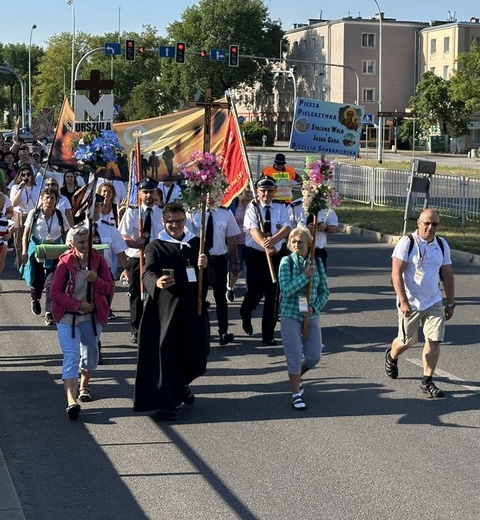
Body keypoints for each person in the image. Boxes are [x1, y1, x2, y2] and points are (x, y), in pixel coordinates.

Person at [133, 201, 210, 419]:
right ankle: (170, 402)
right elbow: (147, 273)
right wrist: (156, 283)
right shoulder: (155, 246)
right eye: (170, 222)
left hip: (194, 310)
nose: (175, 225)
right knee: (170, 357)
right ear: (163, 221)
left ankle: (182, 384)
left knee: (199, 355)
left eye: (179, 221)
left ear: (185, 220)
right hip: (167, 311)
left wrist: (205, 265)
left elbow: (208, 279)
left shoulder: (196, 243)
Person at [386, 209, 455, 398]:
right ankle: (392, 356)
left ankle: (427, 380)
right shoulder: (406, 243)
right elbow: (396, 273)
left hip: (433, 300)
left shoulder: (441, 245)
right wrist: (403, 300)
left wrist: (450, 302)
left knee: (434, 340)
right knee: (407, 341)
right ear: (418, 223)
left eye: (434, 224)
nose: (430, 227)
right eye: (427, 223)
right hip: (410, 302)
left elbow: (447, 275)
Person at [50, 225, 114, 420]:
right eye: (81, 242)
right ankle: (71, 401)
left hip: (91, 318)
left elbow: (110, 288)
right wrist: (77, 304)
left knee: (90, 354)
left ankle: (84, 386)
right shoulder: (64, 263)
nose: (86, 245)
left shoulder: (99, 262)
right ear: (72, 244)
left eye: (88, 241)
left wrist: (96, 280)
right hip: (68, 317)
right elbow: (54, 293)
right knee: (71, 356)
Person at [278, 226, 329, 410]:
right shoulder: (286, 262)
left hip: (311, 314)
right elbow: (286, 290)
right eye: (293, 241)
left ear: (309, 243)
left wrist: (314, 307)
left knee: (314, 357)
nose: (296, 244)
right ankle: (295, 394)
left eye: (300, 241)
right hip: (290, 314)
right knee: (293, 356)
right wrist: (304, 276)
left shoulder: (317, 263)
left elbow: (325, 291)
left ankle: (298, 375)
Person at [240, 176, 291, 345]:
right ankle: (245, 313)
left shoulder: (281, 206)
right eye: (263, 191)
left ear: (274, 191)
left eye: (270, 191)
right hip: (255, 255)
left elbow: (286, 227)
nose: (266, 194)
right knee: (255, 293)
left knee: (272, 295)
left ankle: (268, 334)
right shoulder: (252, 207)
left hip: (276, 254)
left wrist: (273, 242)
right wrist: (265, 245)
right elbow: (253, 230)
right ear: (258, 192)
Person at [186, 193, 240, 345]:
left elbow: (231, 239)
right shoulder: (192, 212)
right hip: (199, 259)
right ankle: (200, 331)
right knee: (199, 296)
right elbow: (188, 238)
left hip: (218, 260)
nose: (209, 197)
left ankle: (223, 331)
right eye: (205, 194)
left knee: (220, 297)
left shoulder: (225, 212)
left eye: (213, 194)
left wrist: (235, 261)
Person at [118, 177, 164, 344]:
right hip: (136, 258)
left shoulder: (162, 213)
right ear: (139, 194)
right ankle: (136, 330)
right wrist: (134, 242)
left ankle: (155, 327)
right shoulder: (132, 212)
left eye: (151, 192)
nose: (148, 195)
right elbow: (121, 234)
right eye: (145, 192)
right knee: (136, 295)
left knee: (156, 293)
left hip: (155, 259)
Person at [21, 187, 69, 324]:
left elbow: (67, 234)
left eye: (52, 198)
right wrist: (24, 252)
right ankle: (35, 298)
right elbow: (25, 235)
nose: (49, 200)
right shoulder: (34, 214)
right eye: (46, 198)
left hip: (54, 249)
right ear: (41, 199)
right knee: (37, 279)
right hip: (37, 249)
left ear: (56, 200)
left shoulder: (59, 215)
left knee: (52, 281)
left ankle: (49, 311)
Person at [288, 198, 338, 271]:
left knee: (320, 280)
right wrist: (304, 230)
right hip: (299, 251)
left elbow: (334, 227)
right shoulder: (295, 206)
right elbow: (288, 231)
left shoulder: (326, 205)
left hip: (318, 252)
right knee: (299, 280)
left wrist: (326, 227)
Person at [10, 165, 41, 268]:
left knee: (32, 239)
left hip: (32, 215)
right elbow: (14, 203)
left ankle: (32, 264)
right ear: (20, 176)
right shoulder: (15, 187)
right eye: (23, 175)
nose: (26, 176)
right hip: (20, 215)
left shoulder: (37, 187)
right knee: (19, 241)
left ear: (32, 175)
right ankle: (21, 265)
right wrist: (21, 189)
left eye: (28, 174)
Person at [226, 186, 253, 302]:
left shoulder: (255, 205)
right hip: (237, 241)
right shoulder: (235, 202)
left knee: (251, 270)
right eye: (246, 191)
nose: (248, 194)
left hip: (252, 241)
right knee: (238, 269)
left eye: (251, 192)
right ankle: (230, 287)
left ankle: (250, 295)